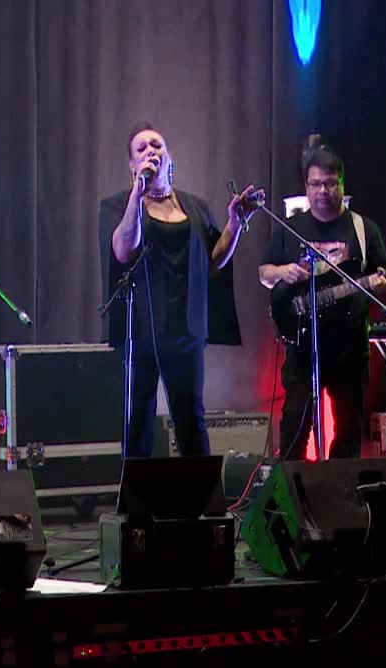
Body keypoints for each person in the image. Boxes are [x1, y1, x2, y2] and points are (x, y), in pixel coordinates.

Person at [99, 121, 262, 457]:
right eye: (141, 149)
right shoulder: (118, 205)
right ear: (132, 165)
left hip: (186, 329)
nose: (150, 152)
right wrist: (137, 193)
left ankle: (199, 504)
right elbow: (123, 248)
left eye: (156, 145)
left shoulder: (195, 206)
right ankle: (137, 505)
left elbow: (213, 262)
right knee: (138, 421)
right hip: (140, 331)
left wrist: (234, 222)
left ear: (169, 157)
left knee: (191, 421)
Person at [258, 136, 386, 460]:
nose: (323, 191)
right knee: (295, 425)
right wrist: (283, 272)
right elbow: (264, 273)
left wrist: (381, 282)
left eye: (330, 184)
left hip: (349, 348)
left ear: (342, 184)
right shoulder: (290, 228)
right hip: (303, 347)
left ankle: (339, 498)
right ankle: (294, 497)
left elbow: (383, 277)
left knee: (348, 429)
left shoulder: (364, 229)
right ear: (306, 186)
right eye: (316, 184)